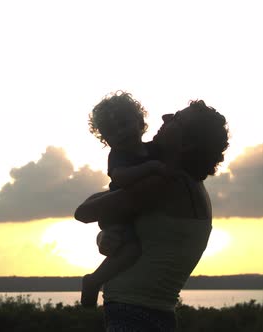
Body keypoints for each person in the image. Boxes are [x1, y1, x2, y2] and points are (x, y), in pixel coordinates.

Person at [74, 100, 229, 331]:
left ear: (186, 143)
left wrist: (106, 229)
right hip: (152, 314)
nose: (166, 117)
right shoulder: (181, 183)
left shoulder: (164, 185)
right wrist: (106, 234)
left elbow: (85, 213)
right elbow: (116, 206)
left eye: (176, 118)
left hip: (134, 315)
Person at [81, 91, 171, 307]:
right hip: (119, 214)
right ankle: (94, 281)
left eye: (124, 124)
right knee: (131, 249)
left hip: (135, 212)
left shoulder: (153, 149)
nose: (120, 133)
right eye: (111, 132)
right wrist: (150, 167)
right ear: (105, 139)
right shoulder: (118, 156)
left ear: (140, 122)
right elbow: (119, 177)